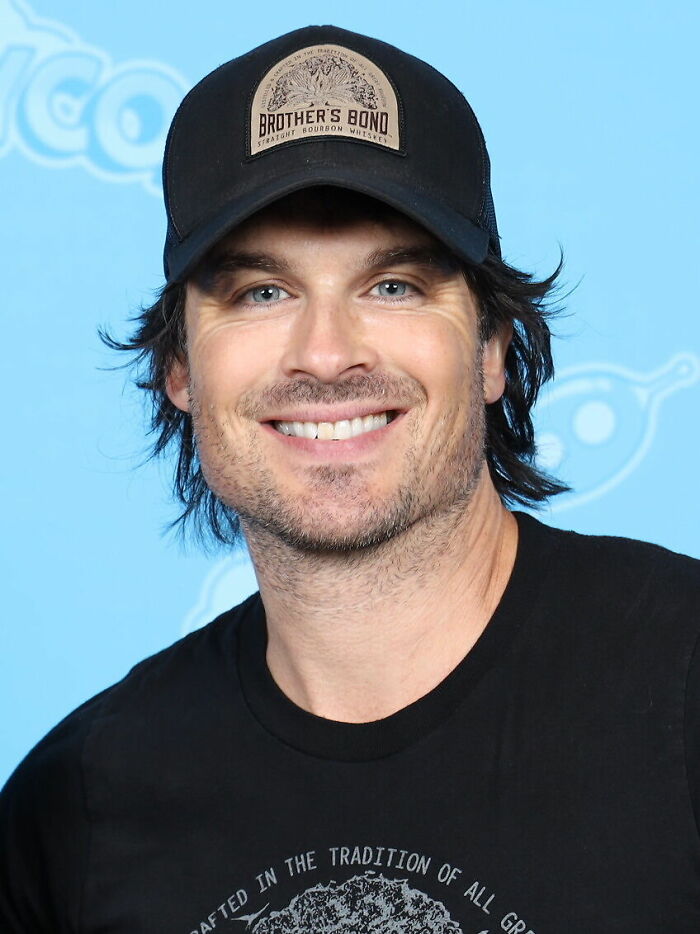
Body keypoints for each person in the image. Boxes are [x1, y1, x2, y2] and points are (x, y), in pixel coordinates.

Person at [1, 24, 699, 934]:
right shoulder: (76, 809)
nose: (326, 355)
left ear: (491, 347)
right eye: (262, 292)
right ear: (179, 367)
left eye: (394, 286)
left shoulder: (679, 680)